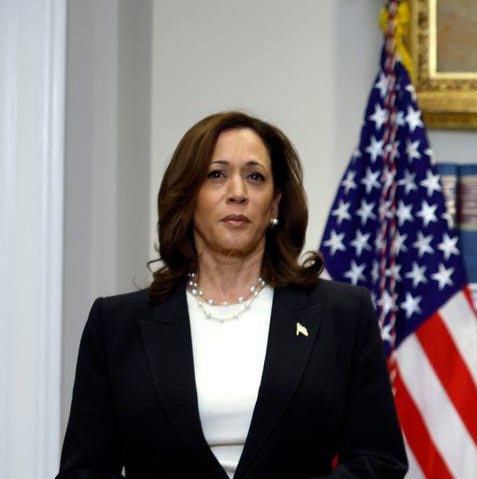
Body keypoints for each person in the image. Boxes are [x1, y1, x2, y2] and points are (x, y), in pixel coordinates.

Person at [58, 111, 408, 478]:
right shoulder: (116, 324)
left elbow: (379, 460)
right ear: (188, 196)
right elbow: (84, 471)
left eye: (255, 177)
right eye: (217, 175)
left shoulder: (344, 313)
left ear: (274, 205)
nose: (238, 193)